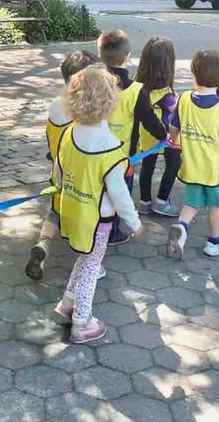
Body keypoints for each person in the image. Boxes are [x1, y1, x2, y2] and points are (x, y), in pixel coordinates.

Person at [52, 64, 142, 344]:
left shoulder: (70, 133)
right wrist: (135, 223)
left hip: (72, 210)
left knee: (85, 257)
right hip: (98, 221)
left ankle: (67, 302)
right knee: (92, 265)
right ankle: (82, 323)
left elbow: (58, 171)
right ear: (110, 101)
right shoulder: (111, 149)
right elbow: (120, 195)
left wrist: (59, 186)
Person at [25, 50, 99, 281]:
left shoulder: (56, 104)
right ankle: (89, 260)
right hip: (81, 174)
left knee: (55, 210)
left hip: (58, 170)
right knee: (87, 215)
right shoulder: (86, 111)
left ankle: (43, 245)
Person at [167, 51, 219, 259]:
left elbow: (173, 129)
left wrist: (174, 141)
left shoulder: (183, 99)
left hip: (193, 165)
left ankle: (181, 227)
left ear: (193, 74)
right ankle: (214, 243)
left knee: (192, 202)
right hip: (218, 168)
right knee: (216, 205)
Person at [98, 29, 166, 245]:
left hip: (93, 151)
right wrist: (164, 135)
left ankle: (94, 225)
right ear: (128, 57)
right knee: (119, 194)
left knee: (98, 190)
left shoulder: (94, 83)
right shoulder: (137, 90)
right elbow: (149, 120)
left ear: (100, 55)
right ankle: (113, 232)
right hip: (123, 157)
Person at [133, 37, 181, 216]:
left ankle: (144, 202)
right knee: (174, 163)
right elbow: (176, 110)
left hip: (146, 132)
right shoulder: (164, 91)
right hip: (168, 134)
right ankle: (161, 200)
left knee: (148, 164)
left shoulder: (140, 86)